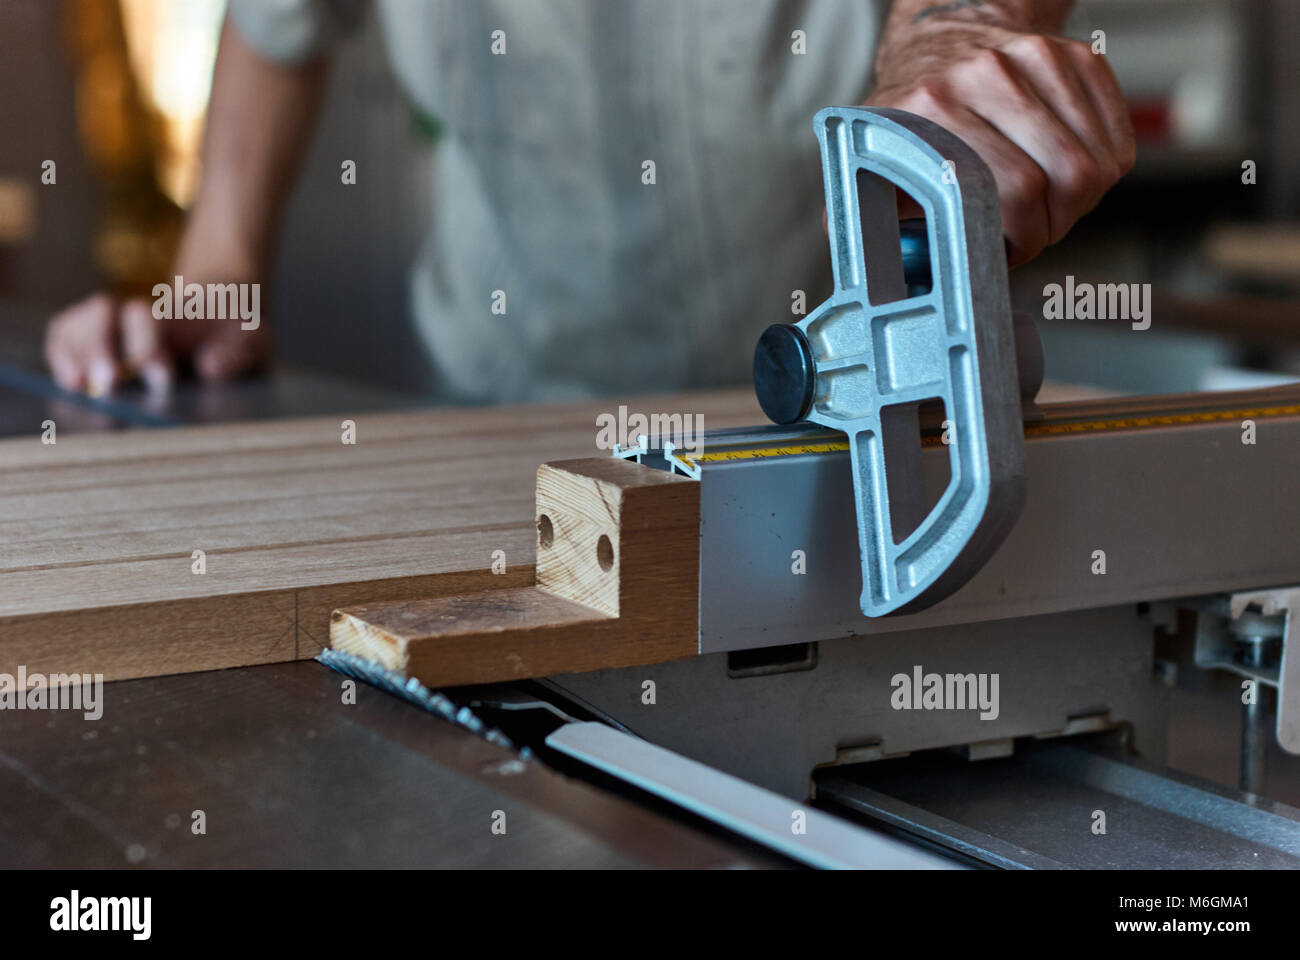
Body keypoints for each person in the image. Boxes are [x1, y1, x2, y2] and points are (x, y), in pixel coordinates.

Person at [44, 0, 1133, 403]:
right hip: (499, 415)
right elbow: (276, 26)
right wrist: (213, 279)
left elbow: (961, 12)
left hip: (822, 425)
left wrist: (953, 40)